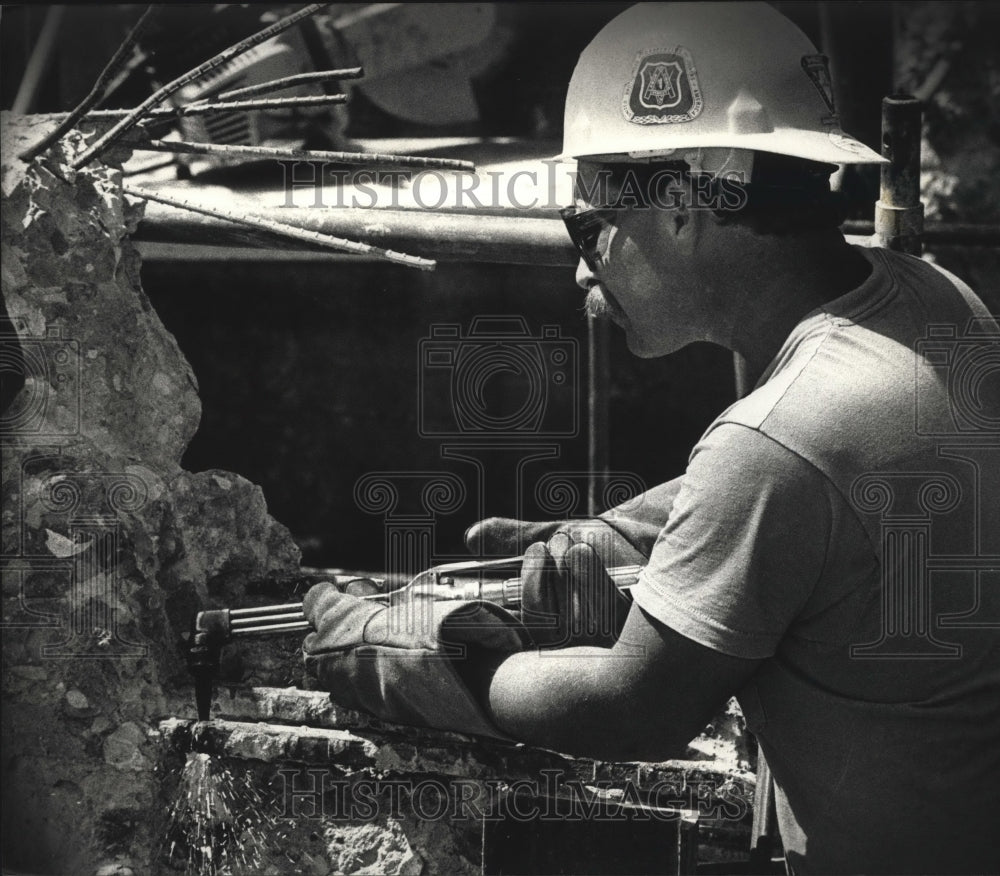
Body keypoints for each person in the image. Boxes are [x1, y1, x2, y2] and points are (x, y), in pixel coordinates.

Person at [303, 4, 1000, 873]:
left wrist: (416, 656)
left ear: (677, 205)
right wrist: (616, 536)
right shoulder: (929, 300)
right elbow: (812, 486)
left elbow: (632, 704)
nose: (580, 268)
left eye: (587, 225)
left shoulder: (774, 441)